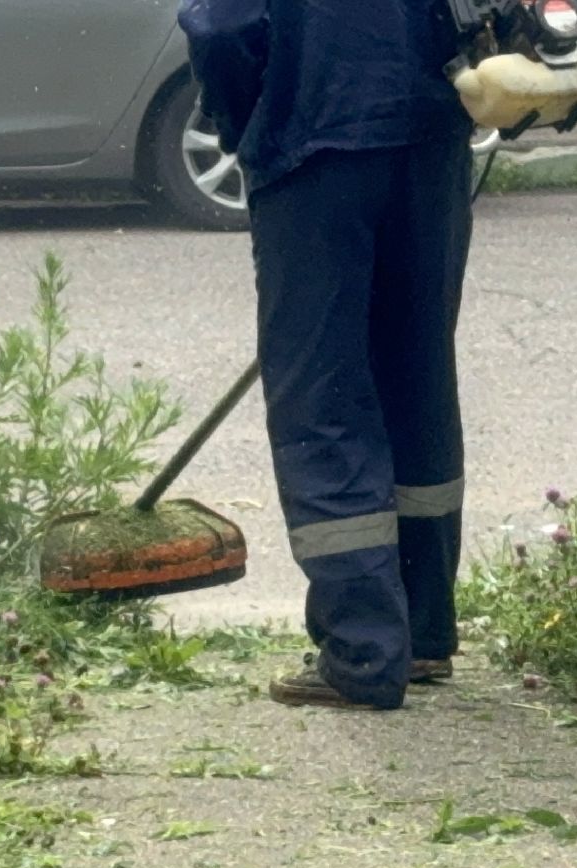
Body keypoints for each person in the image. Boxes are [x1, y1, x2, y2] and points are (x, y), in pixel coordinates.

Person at [177, 0, 477, 711]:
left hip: (315, 145)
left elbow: (221, 29)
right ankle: (424, 632)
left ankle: (366, 651)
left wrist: (246, 127)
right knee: (417, 381)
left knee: (326, 401)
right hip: (430, 140)